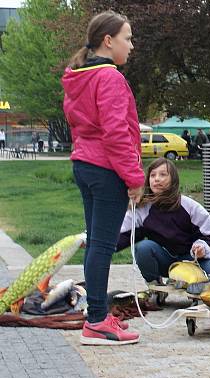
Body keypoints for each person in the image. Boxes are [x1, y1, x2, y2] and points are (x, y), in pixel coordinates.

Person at [62, 10, 143, 345]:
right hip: (105, 169)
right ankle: (96, 321)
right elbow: (115, 133)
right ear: (108, 41)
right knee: (102, 246)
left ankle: (96, 312)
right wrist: (135, 178)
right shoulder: (108, 77)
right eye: (127, 38)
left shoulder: (79, 75)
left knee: (96, 243)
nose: (132, 45)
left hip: (85, 164)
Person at [117, 157, 210, 286]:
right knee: (143, 248)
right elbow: (120, 231)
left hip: (191, 261)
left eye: (163, 175)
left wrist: (201, 248)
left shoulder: (190, 206)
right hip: (164, 261)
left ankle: (192, 285)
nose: (156, 179)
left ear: (173, 179)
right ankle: (155, 286)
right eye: (152, 175)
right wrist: (90, 240)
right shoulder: (142, 209)